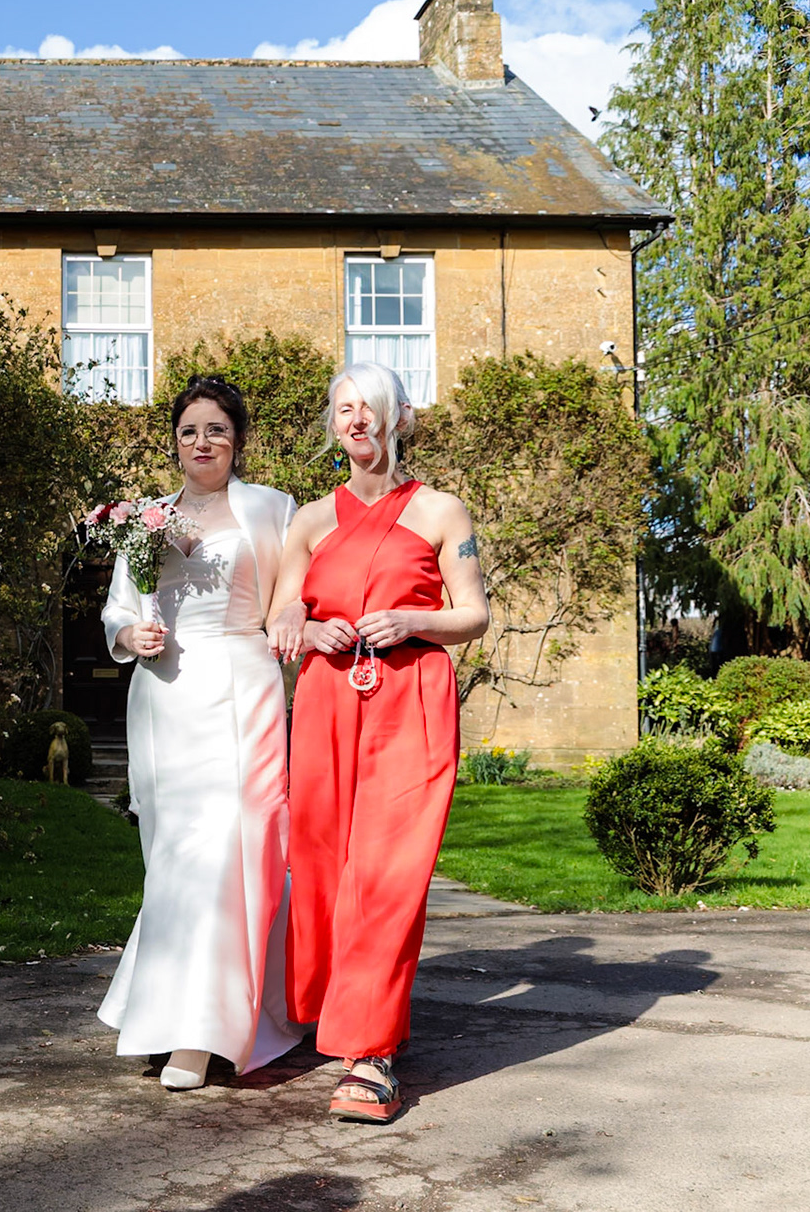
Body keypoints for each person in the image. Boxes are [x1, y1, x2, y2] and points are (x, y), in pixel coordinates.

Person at [266, 362, 491, 1123]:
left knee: (391, 872)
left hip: (411, 697)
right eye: (342, 409)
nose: (355, 421)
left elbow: (474, 615)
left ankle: (371, 1053)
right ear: (333, 423)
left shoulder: (439, 512)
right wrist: (308, 624)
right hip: (329, 697)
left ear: (399, 419)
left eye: (371, 408)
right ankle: (341, 1015)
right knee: (327, 867)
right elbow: (280, 617)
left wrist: (412, 620)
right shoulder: (308, 520)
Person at [96, 375, 304, 1089]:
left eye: (216, 429)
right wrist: (131, 631)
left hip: (242, 689)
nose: (202, 442)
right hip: (165, 699)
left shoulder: (274, 510)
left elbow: (299, 589)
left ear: (237, 438)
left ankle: (209, 1032)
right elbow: (117, 608)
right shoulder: (145, 518)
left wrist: (291, 615)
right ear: (175, 444)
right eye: (189, 431)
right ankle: (165, 1013)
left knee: (233, 849)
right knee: (175, 858)